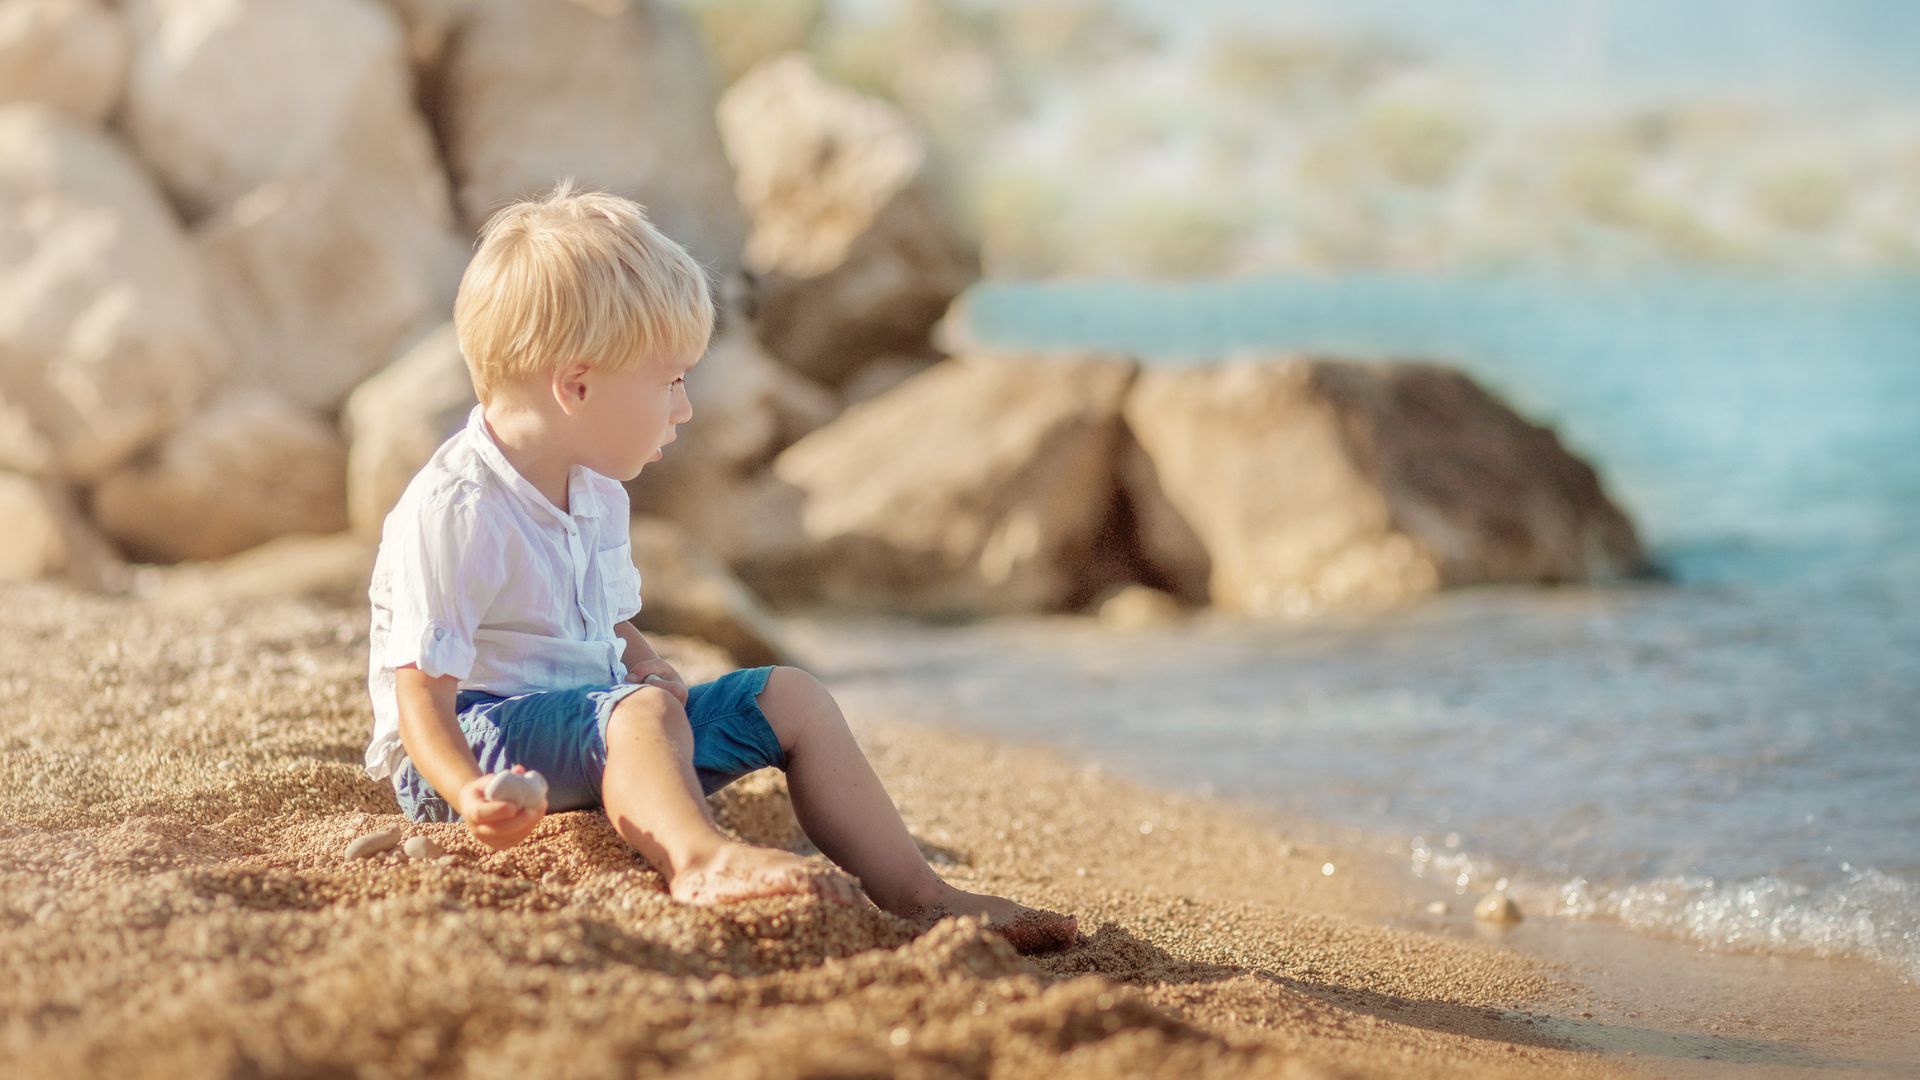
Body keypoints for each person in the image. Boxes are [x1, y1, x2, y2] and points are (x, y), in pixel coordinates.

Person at [361, 181, 1077, 953]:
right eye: (669, 382)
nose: (684, 408)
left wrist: (646, 659)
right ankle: (699, 861)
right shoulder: (458, 508)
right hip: (476, 751)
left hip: (600, 729)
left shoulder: (593, 492)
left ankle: (917, 891)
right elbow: (420, 695)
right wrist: (469, 795)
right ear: (576, 386)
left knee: (789, 695)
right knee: (635, 714)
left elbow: (600, 617)